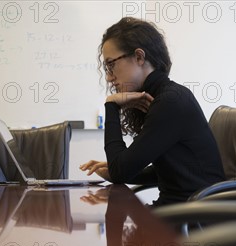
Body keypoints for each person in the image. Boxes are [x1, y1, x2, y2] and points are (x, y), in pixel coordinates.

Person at [80, 17, 225, 206]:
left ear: (139, 57)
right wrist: (120, 168)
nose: (108, 77)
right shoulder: (164, 97)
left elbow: (119, 173)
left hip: (191, 221)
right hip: (180, 214)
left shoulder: (171, 101)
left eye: (111, 64)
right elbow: (167, 171)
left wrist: (112, 105)